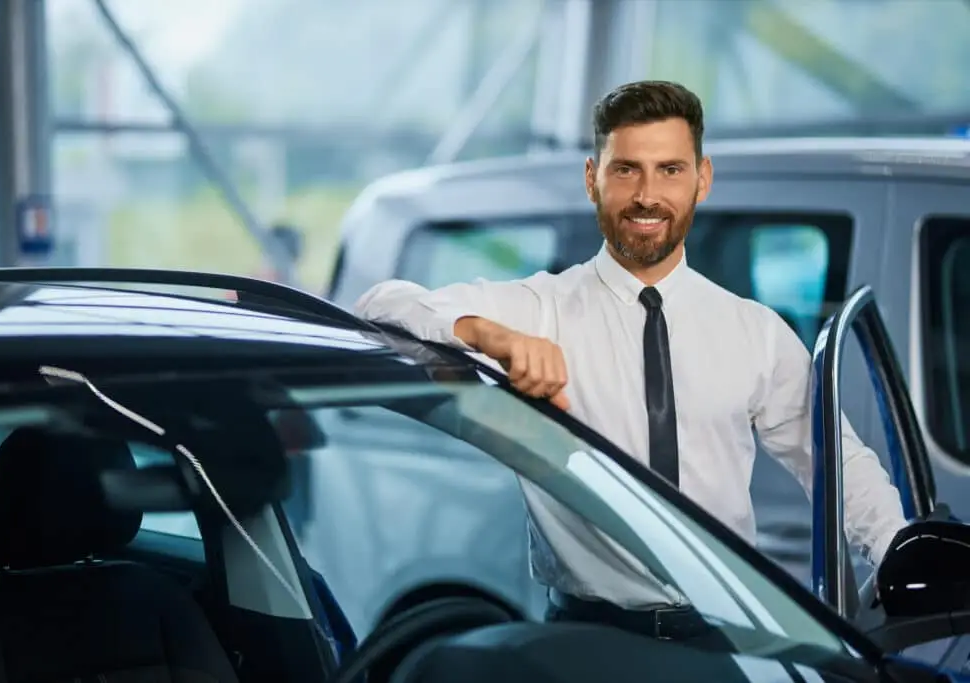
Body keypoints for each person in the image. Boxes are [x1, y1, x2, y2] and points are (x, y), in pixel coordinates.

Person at [352, 80, 907, 640]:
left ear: (702, 180)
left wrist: (899, 553)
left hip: (727, 639)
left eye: (670, 170)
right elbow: (379, 305)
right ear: (593, 178)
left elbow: (837, 461)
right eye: (626, 170)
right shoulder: (542, 309)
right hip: (587, 640)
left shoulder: (754, 332)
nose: (647, 194)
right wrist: (489, 335)